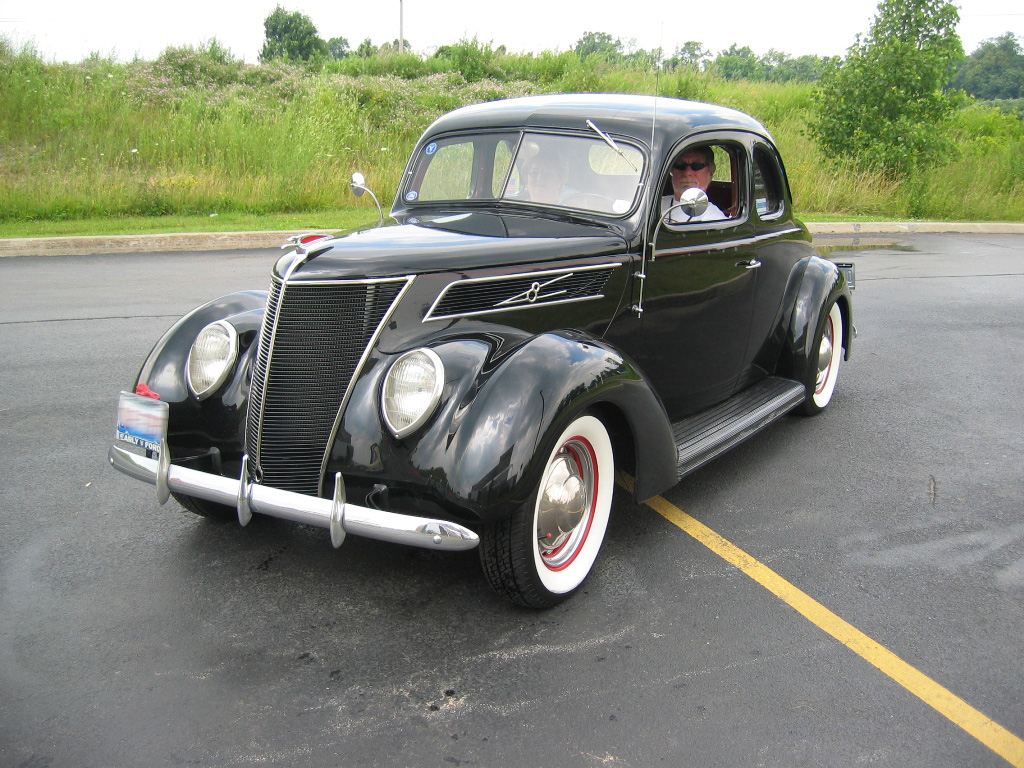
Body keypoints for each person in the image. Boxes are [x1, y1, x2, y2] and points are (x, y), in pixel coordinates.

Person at [661, 146, 727, 223]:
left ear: (711, 173)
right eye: (680, 165)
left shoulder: (713, 218)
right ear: (672, 171)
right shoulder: (653, 205)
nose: (687, 173)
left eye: (696, 166)